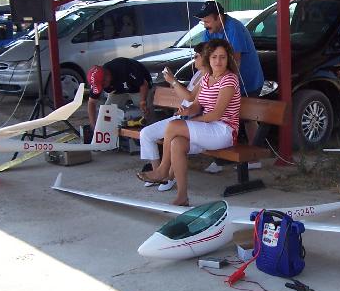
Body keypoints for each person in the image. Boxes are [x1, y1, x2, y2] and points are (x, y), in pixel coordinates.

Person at [137, 38, 241, 206]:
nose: (218, 61)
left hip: (223, 130)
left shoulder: (229, 79)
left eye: (222, 57)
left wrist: (194, 120)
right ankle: (182, 197)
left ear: (228, 58)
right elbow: (197, 104)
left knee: (173, 126)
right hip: (207, 128)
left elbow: (217, 114)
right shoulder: (206, 77)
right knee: (177, 143)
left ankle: (163, 170)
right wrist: (187, 112)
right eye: (214, 57)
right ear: (208, 58)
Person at [194, 0, 264, 173]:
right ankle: (220, 159)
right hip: (223, 83)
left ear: (219, 17)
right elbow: (206, 57)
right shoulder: (209, 32)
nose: (205, 25)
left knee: (248, 118)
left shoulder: (234, 28)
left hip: (248, 81)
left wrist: (223, 83)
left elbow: (235, 62)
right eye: (203, 21)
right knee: (220, 116)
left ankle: (254, 157)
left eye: (207, 21)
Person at [139, 42, 208, 192]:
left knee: (174, 142)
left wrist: (173, 81)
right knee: (145, 134)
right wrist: (173, 83)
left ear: (206, 57)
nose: (194, 59)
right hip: (181, 116)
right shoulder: (198, 74)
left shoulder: (207, 76)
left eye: (197, 56)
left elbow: (190, 98)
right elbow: (186, 97)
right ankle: (158, 173)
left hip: (192, 120)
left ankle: (168, 176)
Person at [87, 57, 153, 129]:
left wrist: (143, 101)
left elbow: (144, 84)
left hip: (139, 88)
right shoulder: (96, 81)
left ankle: (150, 128)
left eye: (102, 85)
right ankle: (109, 132)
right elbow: (91, 102)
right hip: (119, 91)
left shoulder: (124, 67)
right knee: (108, 111)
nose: (102, 87)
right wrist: (93, 125)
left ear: (106, 76)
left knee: (146, 109)